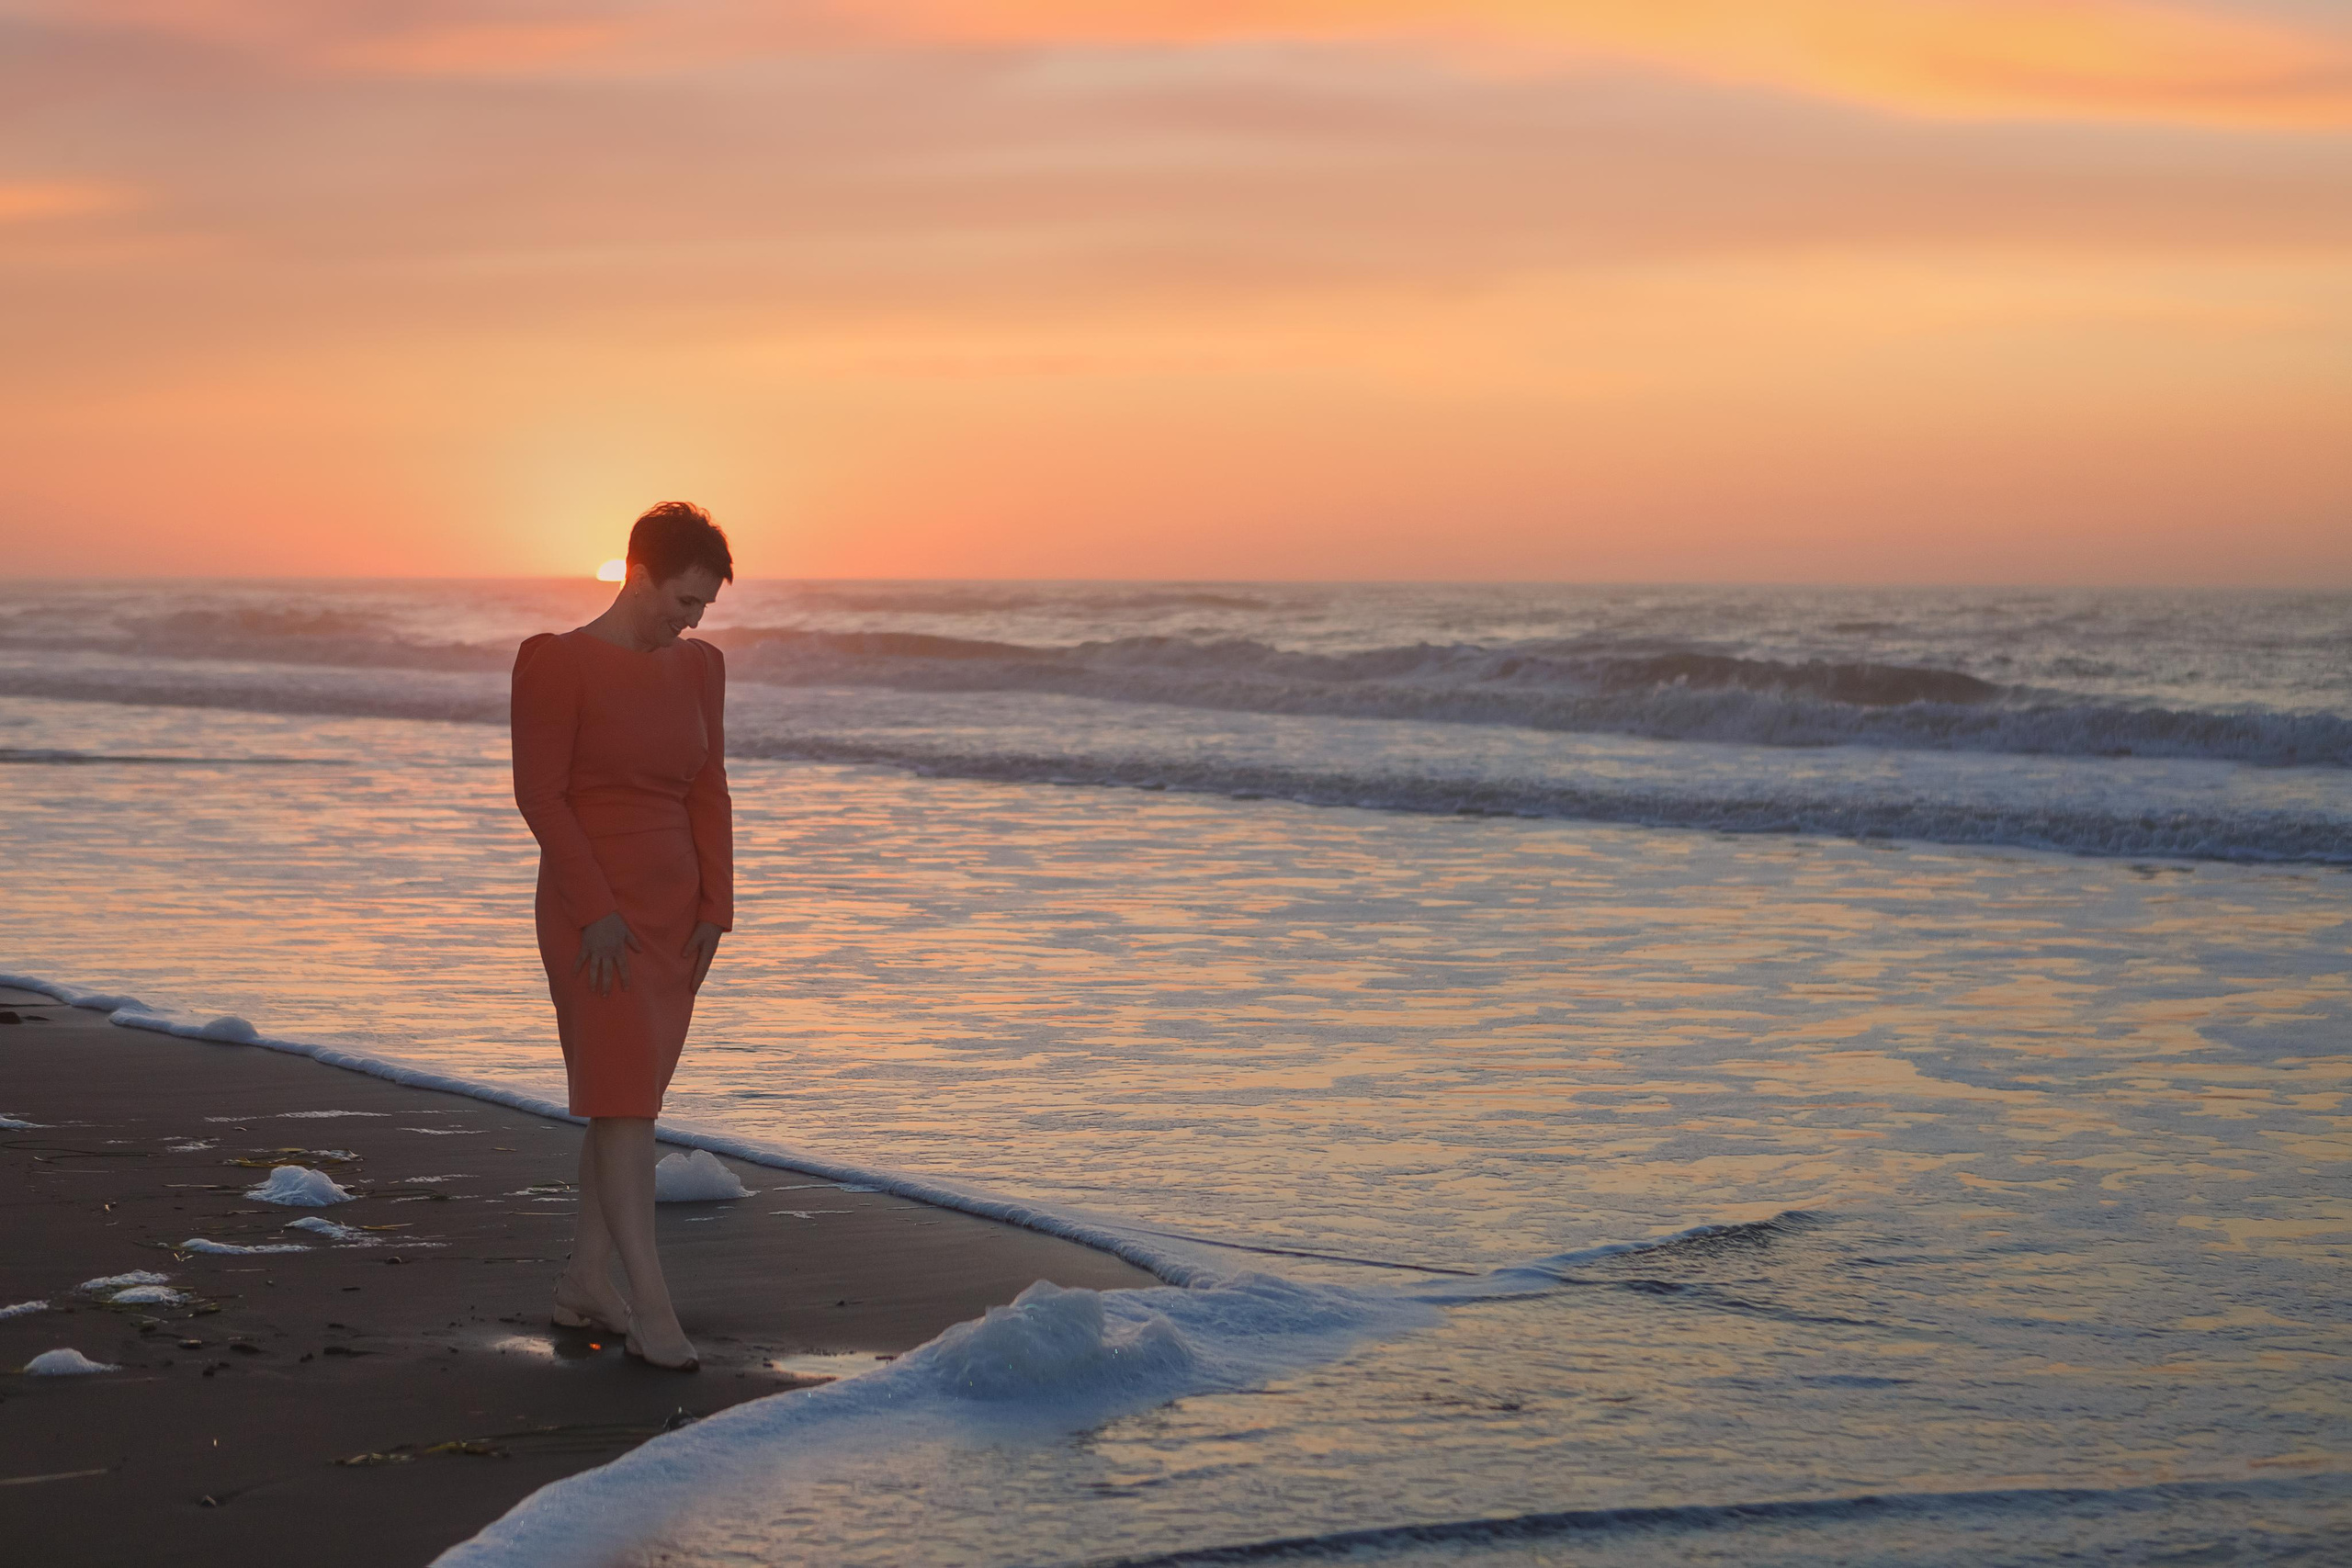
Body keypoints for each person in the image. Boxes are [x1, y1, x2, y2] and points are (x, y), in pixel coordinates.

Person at [510, 502, 734, 1371]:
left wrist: (718, 904)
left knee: (623, 1103)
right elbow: (542, 795)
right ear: (636, 573)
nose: (693, 618)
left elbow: (709, 787)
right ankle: (651, 1308)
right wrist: (596, 907)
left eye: (706, 605)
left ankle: (584, 1281)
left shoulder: (702, 669)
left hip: (676, 918)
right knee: (627, 1103)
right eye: (684, 598)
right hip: (590, 914)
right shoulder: (555, 664)